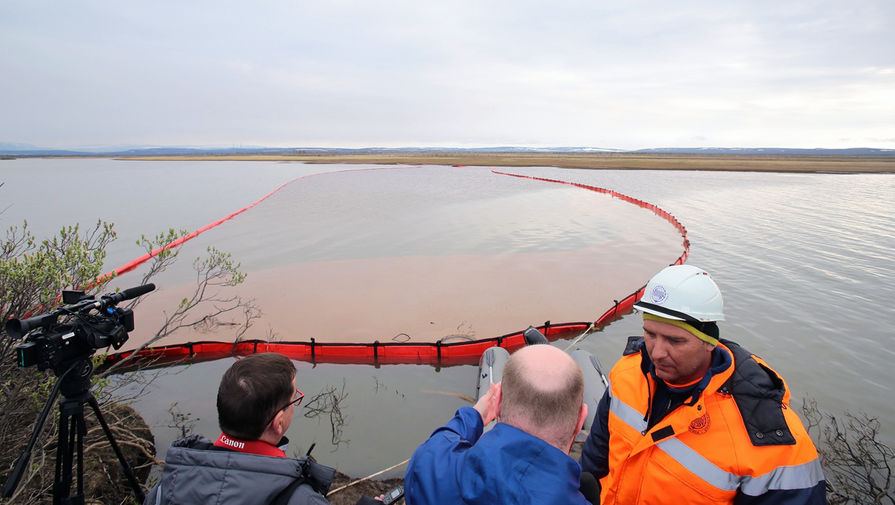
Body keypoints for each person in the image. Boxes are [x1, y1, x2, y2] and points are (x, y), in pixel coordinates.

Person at [580, 264, 826, 504]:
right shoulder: (628, 372)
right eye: (650, 334)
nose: (656, 353)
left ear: (710, 342)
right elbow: (596, 458)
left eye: (675, 341)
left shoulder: (767, 434)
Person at [404, 344, 594, 505]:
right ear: (580, 420)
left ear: (498, 400)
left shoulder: (429, 472)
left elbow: (438, 445)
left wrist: (474, 415)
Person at [144, 352, 335, 505]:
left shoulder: (166, 487)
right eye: (295, 398)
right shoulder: (300, 498)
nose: (295, 403)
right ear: (278, 422)